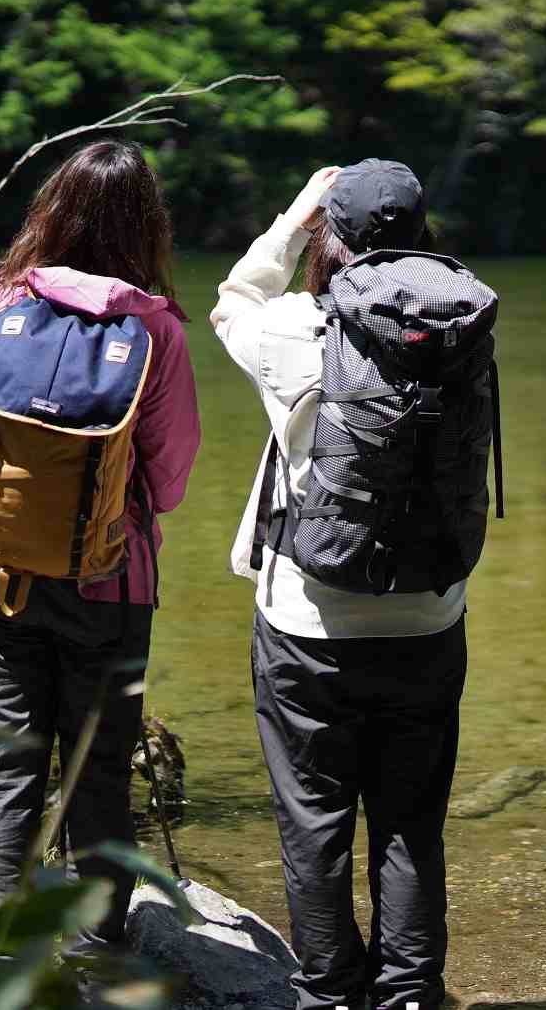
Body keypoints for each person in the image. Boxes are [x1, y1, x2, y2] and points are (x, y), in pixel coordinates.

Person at [213, 159, 494, 1010]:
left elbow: (232, 298)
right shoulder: (470, 328)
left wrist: (294, 215)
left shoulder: (297, 326)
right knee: (411, 820)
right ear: (422, 235)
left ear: (329, 234)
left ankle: (330, 995)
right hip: (429, 618)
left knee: (315, 821)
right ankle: (410, 995)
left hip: (308, 624)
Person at [0, 139, 201, 965]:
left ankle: (1, 944)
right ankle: (94, 946)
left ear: (53, 210)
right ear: (147, 227)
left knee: (8, 760)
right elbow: (173, 475)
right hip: (111, 586)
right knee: (98, 768)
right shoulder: (155, 330)